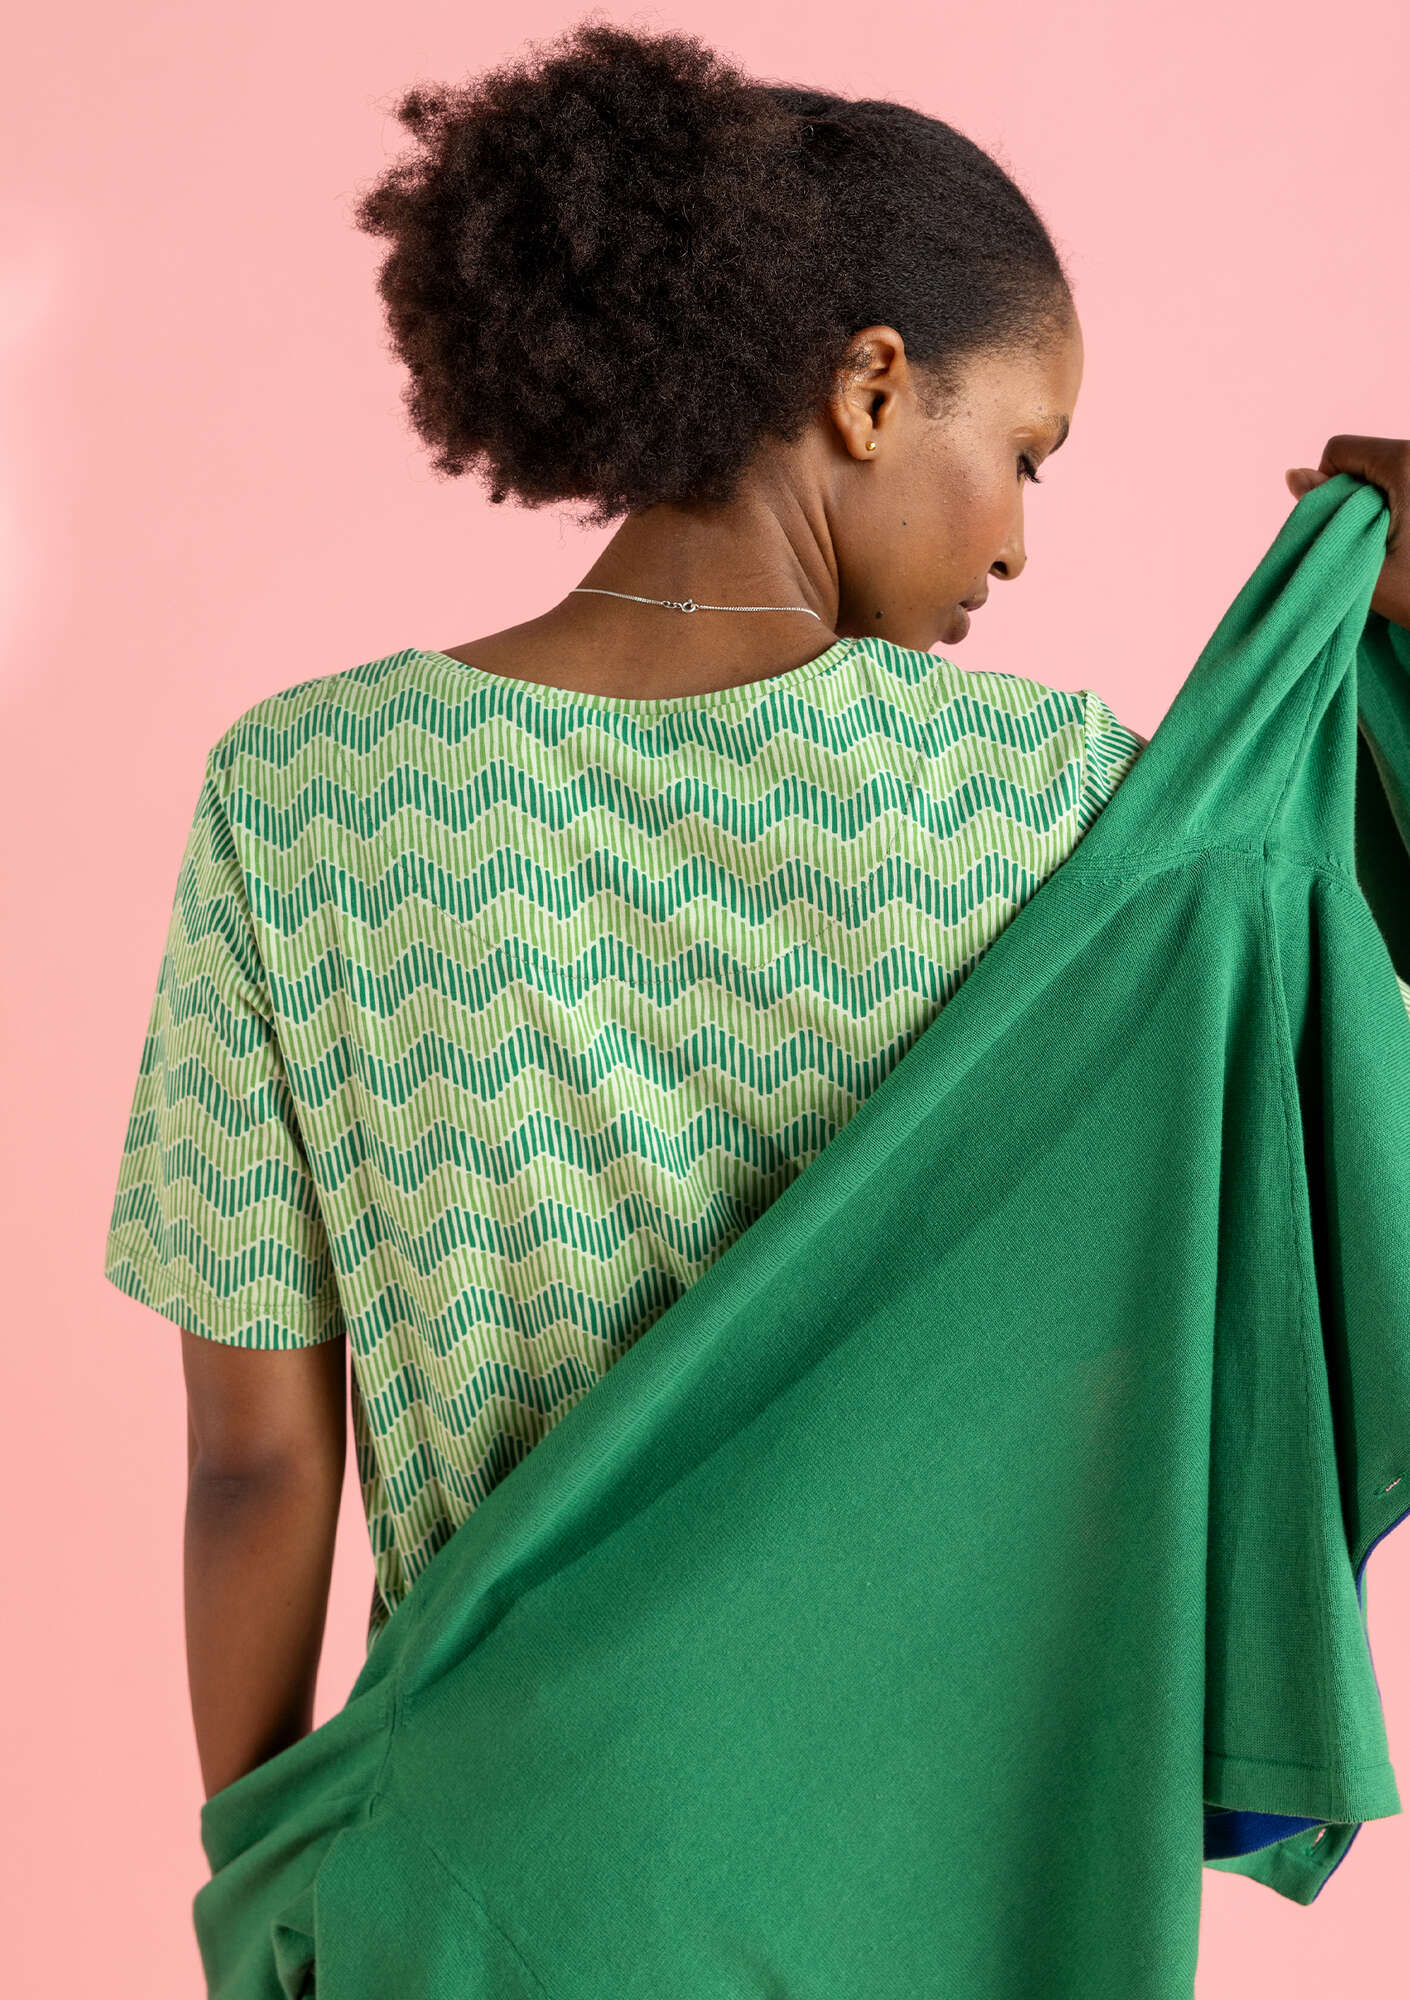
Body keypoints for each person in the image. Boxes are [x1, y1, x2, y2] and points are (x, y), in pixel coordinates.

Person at [103, 18, 1410, 1813]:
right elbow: (1208, 1282)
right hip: (922, 1840)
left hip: (479, 1852)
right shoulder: (1061, 811)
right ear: (869, 389)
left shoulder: (299, 794)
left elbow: (254, 1463)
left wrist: (263, 1876)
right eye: (1027, 453)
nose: (1018, 544)